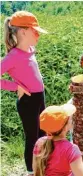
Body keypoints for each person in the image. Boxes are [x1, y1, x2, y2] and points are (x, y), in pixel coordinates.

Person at [1, 11, 48, 175]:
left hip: (39, 98)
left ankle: (42, 165)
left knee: (43, 132)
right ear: (23, 32)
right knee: (32, 137)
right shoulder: (13, 56)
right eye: (35, 31)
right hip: (28, 101)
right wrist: (16, 87)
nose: (38, 35)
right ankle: (30, 171)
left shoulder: (30, 49)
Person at [33, 104, 83, 176]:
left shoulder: (39, 143)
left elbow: (36, 169)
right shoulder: (71, 149)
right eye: (69, 118)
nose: (72, 118)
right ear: (64, 128)